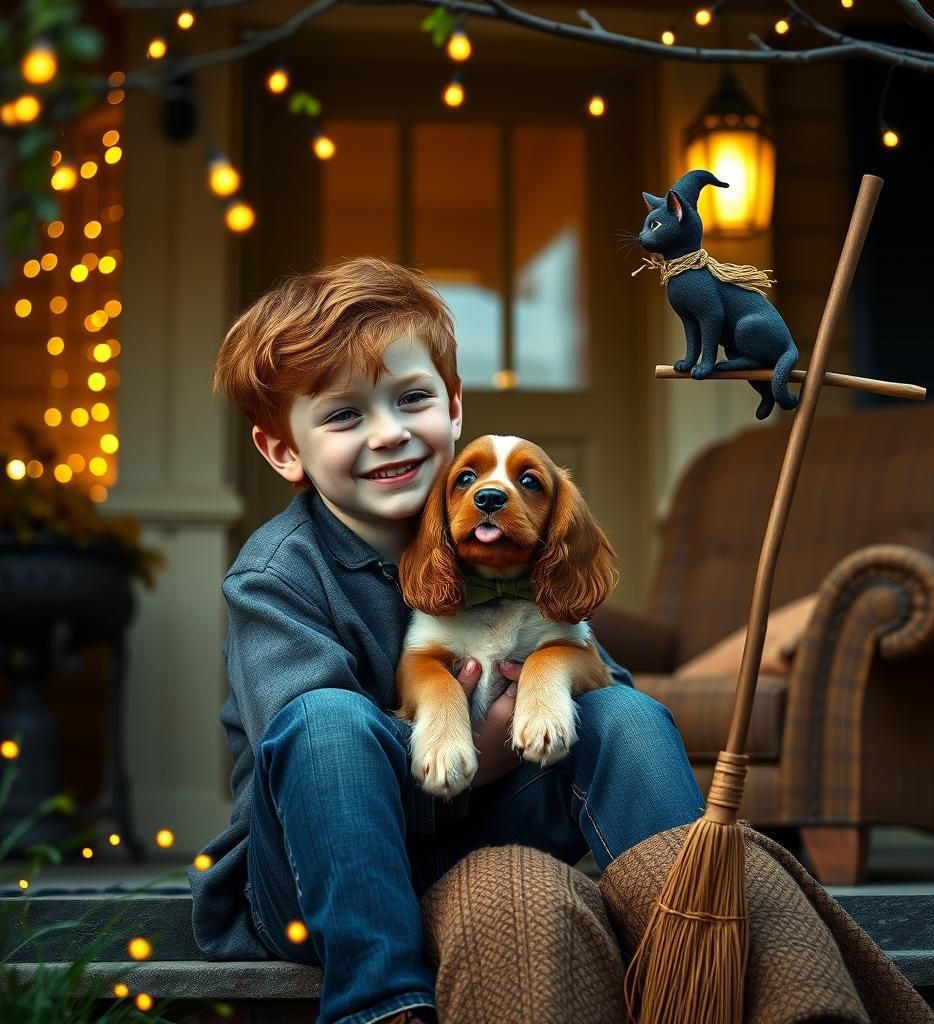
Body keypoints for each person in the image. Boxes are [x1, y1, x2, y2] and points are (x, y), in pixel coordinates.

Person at [187, 257, 706, 1024]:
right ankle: (381, 1004)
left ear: (454, 406)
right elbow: (304, 759)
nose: (389, 433)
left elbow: (603, 683)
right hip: (312, 879)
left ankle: (698, 951)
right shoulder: (275, 575)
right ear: (283, 452)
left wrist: (549, 688)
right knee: (328, 720)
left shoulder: (505, 517)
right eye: (343, 415)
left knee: (627, 715)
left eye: (412, 399)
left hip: (485, 844)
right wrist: (477, 751)